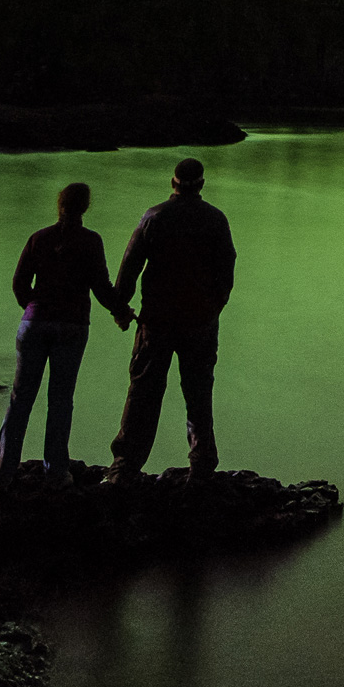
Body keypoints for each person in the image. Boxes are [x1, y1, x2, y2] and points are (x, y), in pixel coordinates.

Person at [0, 180, 130, 492]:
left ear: (59, 205)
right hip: (72, 325)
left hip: (35, 323)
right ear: (85, 207)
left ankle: (1, 477)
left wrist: (33, 307)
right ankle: (56, 473)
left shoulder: (39, 238)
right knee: (60, 400)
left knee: (20, 400)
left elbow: (19, 282)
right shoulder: (91, 241)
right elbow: (101, 287)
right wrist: (121, 311)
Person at [106, 157, 237, 481]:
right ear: (202, 185)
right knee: (198, 393)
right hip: (199, 322)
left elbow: (130, 265)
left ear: (172, 183)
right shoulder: (216, 220)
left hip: (157, 320)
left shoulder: (154, 217)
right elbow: (227, 271)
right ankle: (202, 463)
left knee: (143, 393)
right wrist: (213, 308)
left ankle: (125, 465)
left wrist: (120, 308)